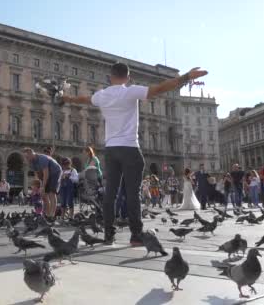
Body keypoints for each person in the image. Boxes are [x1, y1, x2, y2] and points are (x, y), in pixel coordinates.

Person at [63, 63, 207, 245]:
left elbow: (83, 99)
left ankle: (109, 234)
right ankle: (135, 235)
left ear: (110, 76)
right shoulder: (130, 91)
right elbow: (160, 88)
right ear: (128, 77)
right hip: (130, 148)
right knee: (133, 194)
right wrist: (187, 76)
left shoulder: (102, 95)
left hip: (111, 150)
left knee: (110, 194)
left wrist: (66, 98)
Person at [23, 148, 63, 221]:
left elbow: (46, 173)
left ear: (32, 153)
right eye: (25, 157)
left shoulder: (42, 158)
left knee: (51, 193)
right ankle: (47, 214)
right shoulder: (31, 163)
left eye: (27, 156)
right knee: (44, 195)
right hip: (45, 175)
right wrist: (37, 188)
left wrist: (43, 186)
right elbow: (38, 175)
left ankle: (51, 215)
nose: (26, 158)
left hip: (55, 172)